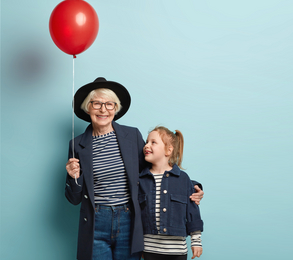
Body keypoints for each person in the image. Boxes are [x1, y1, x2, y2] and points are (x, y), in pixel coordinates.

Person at [65, 77, 204, 260]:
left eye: (109, 104)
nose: (103, 109)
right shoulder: (77, 144)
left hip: (129, 219)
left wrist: (190, 186)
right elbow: (74, 199)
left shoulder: (132, 135)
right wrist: (73, 177)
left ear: (116, 108)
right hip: (96, 220)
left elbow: (153, 171)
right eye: (97, 103)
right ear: (87, 107)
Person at [139, 126, 204, 260]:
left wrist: (196, 242)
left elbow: (193, 212)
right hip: (149, 250)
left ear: (168, 150)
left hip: (177, 252)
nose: (146, 145)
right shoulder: (140, 179)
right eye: (146, 142)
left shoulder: (183, 179)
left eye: (153, 142)